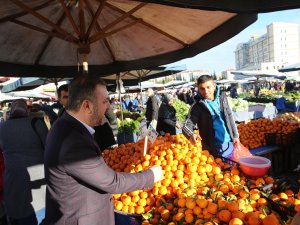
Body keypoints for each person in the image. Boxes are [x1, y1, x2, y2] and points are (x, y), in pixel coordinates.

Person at [43, 75, 162, 225]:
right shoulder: (72, 140)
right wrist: (151, 175)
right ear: (87, 106)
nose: (109, 107)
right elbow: (112, 182)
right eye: (105, 101)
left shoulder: (65, 126)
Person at [0, 99, 48, 225]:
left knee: (19, 212)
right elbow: (49, 146)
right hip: (37, 176)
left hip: (12, 177)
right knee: (39, 212)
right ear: (26, 110)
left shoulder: (2, 127)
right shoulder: (36, 123)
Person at [182, 75, 239, 157]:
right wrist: (191, 134)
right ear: (198, 89)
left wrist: (235, 135)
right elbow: (186, 126)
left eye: (208, 87)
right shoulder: (196, 107)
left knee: (234, 168)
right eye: (202, 88)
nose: (206, 91)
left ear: (214, 86)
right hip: (213, 149)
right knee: (220, 169)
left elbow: (229, 116)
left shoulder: (222, 98)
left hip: (230, 143)